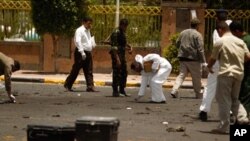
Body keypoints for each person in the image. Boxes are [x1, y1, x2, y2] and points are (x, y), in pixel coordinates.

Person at [207, 21, 250, 134]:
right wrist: (238, 63)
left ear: (220, 30)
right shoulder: (240, 41)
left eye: (218, 32)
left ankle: (223, 126)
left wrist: (209, 67)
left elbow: (213, 58)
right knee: (234, 98)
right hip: (239, 74)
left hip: (226, 74)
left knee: (223, 99)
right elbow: (247, 56)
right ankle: (243, 118)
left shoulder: (220, 42)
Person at [199, 10, 233, 121]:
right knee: (228, 88)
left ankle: (204, 110)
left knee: (210, 87)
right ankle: (231, 111)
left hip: (219, 62)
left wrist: (210, 64)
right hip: (232, 62)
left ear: (217, 19)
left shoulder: (217, 30)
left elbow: (217, 48)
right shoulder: (234, 26)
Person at [170, 18, 206, 99]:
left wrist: (181, 50)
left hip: (182, 57)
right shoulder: (198, 35)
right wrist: (203, 61)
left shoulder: (183, 32)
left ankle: (174, 90)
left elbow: (177, 43)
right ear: (197, 26)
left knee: (181, 75)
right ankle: (198, 94)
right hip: (194, 58)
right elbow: (200, 49)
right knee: (196, 77)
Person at [64, 17, 97, 92]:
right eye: (89, 23)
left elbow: (89, 40)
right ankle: (68, 84)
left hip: (88, 53)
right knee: (76, 69)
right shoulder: (79, 30)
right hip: (80, 53)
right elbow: (78, 42)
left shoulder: (88, 31)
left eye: (91, 23)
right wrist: (82, 52)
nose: (90, 25)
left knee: (89, 70)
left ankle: (90, 86)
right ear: (84, 22)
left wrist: (92, 44)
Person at [230, 21, 250, 116]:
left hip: (247, 72)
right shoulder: (247, 39)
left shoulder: (244, 41)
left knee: (244, 95)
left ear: (237, 31)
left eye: (233, 33)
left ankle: (243, 119)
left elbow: (246, 57)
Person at [109, 18, 132, 97]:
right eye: (125, 26)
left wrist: (129, 47)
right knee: (116, 73)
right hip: (116, 54)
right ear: (121, 25)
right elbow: (114, 47)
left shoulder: (123, 33)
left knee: (124, 72)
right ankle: (115, 91)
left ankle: (122, 90)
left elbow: (124, 43)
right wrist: (117, 59)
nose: (125, 28)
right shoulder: (116, 32)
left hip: (122, 54)